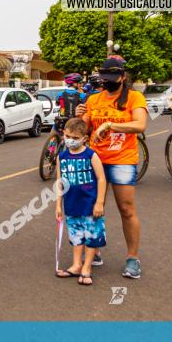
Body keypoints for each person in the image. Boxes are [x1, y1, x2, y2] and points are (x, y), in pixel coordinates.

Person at [77, 56, 147, 279]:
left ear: (123, 77)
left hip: (122, 159)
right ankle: (94, 251)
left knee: (126, 209)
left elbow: (140, 124)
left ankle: (132, 258)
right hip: (95, 160)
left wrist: (110, 124)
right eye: (104, 78)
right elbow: (82, 129)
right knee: (94, 208)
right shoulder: (93, 99)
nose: (108, 82)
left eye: (112, 78)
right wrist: (79, 117)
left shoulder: (134, 97)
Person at [54, 117, 107, 285]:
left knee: (91, 237)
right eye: (68, 136)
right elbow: (60, 183)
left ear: (84, 138)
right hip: (71, 205)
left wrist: (99, 202)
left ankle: (87, 267)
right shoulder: (61, 158)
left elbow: (101, 179)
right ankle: (77, 265)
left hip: (90, 205)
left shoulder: (91, 155)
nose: (70, 140)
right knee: (76, 237)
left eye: (75, 138)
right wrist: (58, 205)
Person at [48, 73, 85, 142]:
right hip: (75, 121)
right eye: (79, 83)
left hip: (62, 119)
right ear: (74, 84)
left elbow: (57, 103)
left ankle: (50, 148)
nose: (80, 84)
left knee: (53, 134)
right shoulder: (82, 95)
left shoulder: (60, 94)